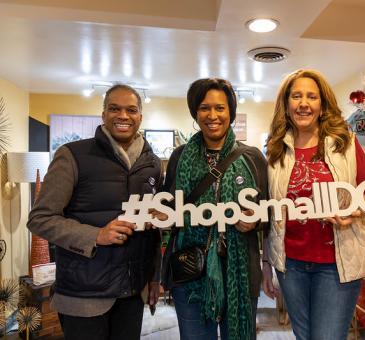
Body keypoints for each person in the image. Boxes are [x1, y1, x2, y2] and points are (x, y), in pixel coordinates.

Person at [28, 84, 162, 340]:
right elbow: (40, 218)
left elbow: (151, 230)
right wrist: (96, 235)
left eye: (131, 110)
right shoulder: (72, 155)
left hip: (132, 294)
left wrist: (153, 277)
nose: (123, 115)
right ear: (103, 115)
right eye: (115, 109)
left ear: (140, 117)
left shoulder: (151, 164)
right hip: (84, 297)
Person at [262, 69, 365, 340]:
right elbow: (268, 211)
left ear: (321, 104)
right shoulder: (275, 149)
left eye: (311, 96)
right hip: (290, 264)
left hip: (336, 263)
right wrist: (266, 263)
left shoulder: (345, 142)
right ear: (286, 104)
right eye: (296, 96)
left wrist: (354, 209)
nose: (303, 103)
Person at [161, 78, 268, 340]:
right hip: (191, 269)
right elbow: (169, 208)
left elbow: (269, 210)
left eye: (220, 108)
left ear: (230, 111)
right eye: (204, 108)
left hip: (240, 269)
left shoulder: (252, 157)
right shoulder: (180, 156)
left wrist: (255, 221)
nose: (212, 115)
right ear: (195, 113)